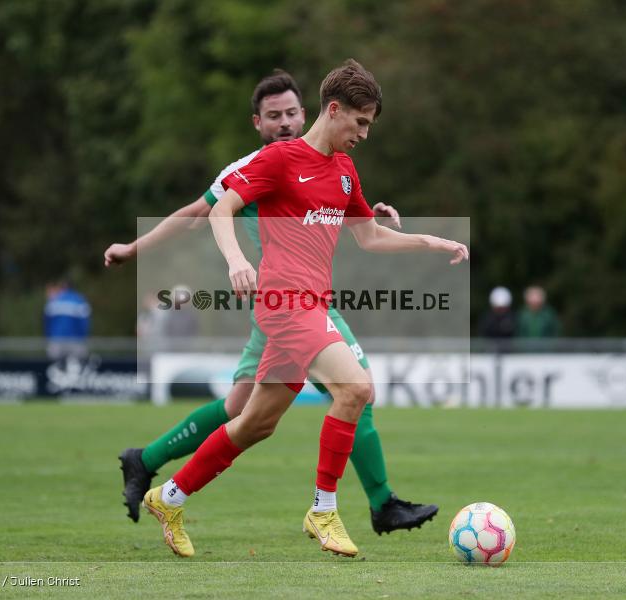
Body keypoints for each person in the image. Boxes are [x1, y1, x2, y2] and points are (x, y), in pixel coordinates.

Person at [141, 60, 468, 558]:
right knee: (356, 388)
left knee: (255, 424)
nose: (363, 134)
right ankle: (323, 509)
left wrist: (430, 239)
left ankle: (169, 497)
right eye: (359, 122)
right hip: (284, 304)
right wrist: (235, 262)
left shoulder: (343, 172)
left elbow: (370, 237)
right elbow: (222, 208)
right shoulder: (279, 160)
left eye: (369, 126)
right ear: (333, 110)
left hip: (310, 305)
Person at [43, 279, 91, 359]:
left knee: (54, 367)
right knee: (78, 367)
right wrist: (83, 337)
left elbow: (47, 323)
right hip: (76, 341)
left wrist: (48, 337)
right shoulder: (80, 300)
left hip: (56, 340)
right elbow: (85, 324)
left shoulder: (54, 301)